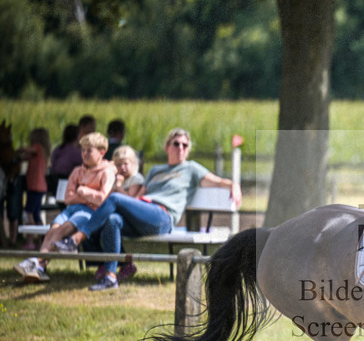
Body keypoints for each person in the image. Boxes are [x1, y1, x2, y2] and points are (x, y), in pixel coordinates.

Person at [52, 127, 242, 291]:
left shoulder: (191, 168)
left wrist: (233, 185)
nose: (181, 148)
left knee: (115, 199)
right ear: (167, 147)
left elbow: (217, 181)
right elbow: (136, 198)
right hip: (143, 211)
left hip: (162, 217)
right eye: (176, 144)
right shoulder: (155, 171)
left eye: (185, 145)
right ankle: (110, 276)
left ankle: (76, 239)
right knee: (113, 220)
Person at [15, 132, 116, 283]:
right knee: (52, 231)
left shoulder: (107, 171)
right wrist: (89, 197)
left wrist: (84, 191)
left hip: (89, 213)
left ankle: (38, 262)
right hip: (71, 209)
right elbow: (68, 198)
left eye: (89, 150)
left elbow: (103, 199)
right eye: (83, 150)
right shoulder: (77, 171)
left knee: (62, 230)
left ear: (101, 152)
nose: (85, 154)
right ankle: (40, 267)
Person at [18, 128, 52, 248]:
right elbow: (24, 157)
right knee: (37, 215)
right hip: (40, 187)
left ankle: (30, 241)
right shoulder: (39, 153)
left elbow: (26, 150)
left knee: (29, 213)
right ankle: (42, 241)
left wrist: (20, 149)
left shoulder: (37, 148)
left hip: (35, 187)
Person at [49, 124, 83, 193]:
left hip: (53, 182)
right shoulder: (76, 152)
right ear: (77, 136)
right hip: (68, 182)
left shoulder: (58, 149)